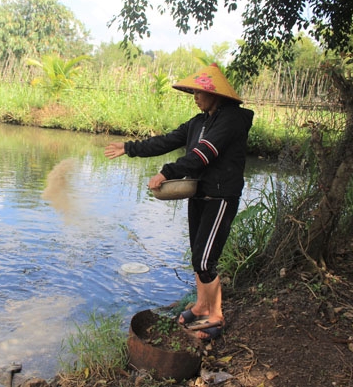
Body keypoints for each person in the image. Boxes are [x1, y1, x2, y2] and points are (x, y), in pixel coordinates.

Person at [104, 63, 254, 340]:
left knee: (205, 260)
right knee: (198, 256)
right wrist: (129, 148)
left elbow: (203, 155)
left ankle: (216, 317)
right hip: (198, 193)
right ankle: (200, 306)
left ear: (215, 93)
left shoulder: (231, 120)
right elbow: (166, 141)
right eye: (193, 93)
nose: (194, 97)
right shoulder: (199, 122)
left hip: (221, 196)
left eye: (198, 92)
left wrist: (167, 172)